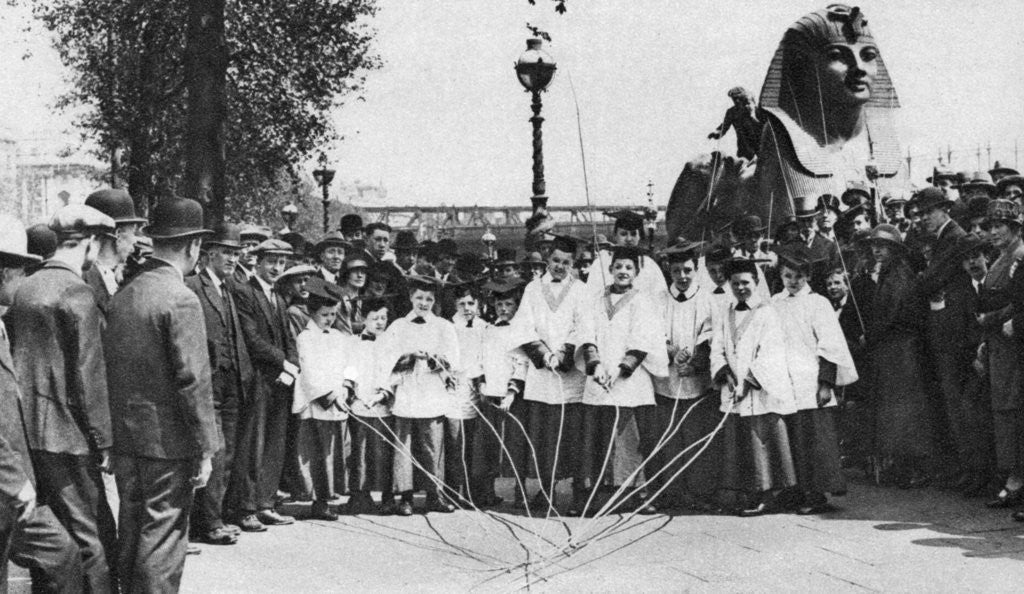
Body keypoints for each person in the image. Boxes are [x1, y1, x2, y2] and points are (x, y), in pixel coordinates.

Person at [105, 198, 220, 592]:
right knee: (164, 538)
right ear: (193, 247)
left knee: (133, 530)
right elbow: (194, 381)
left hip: (127, 438)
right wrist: (207, 447)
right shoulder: (181, 298)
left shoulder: (123, 296)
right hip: (169, 443)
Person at [8, 204, 118, 593]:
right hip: (69, 440)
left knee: (52, 546)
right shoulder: (77, 292)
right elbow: (89, 378)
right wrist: (105, 442)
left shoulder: (25, 288)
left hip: (26, 437)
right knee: (94, 540)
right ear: (90, 242)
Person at [0, 214, 85, 592]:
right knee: (60, 553)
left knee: (60, 554)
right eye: (21, 272)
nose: (24, 282)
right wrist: (15, 481)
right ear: (5, 273)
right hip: (7, 485)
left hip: (10, 487)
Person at [578, 246, 669, 515]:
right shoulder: (595, 300)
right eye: (618, 267)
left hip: (629, 380)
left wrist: (619, 370)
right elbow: (587, 332)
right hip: (599, 379)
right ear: (610, 270)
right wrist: (595, 366)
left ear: (637, 272)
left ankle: (638, 494)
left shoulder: (643, 301)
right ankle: (601, 495)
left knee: (631, 439)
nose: (623, 272)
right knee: (602, 438)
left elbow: (643, 339)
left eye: (629, 268)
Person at [185, 223, 258, 543]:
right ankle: (209, 523)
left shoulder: (230, 288)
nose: (232, 259)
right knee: (214, 452)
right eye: (226, 253)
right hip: (208, 382)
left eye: (236, 254)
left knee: (226, 454)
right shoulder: (192, 287)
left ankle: (213, 517)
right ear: (208, 254)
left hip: (232, 384)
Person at [772, 249, 857, 514]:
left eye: (798, 276)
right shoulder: (775, 302)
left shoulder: (818, 303)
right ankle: (794, 489)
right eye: (788, 276)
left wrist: (825, 383)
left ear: (807, 276)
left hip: (810, 377)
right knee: (790, 436)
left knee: (814, 439)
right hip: (784, 378)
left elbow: (830, 344)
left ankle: (816, 492)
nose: (793, 281)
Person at [711, 258, 797, 516]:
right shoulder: (725, 312)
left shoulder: (766, 312)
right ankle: (745, 492)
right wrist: (725, 373)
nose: (740, 288)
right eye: (735, 283)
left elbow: (771, 352)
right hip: (734, 387)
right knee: (739, 441)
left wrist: (748, 382)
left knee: (763, 439)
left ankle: (768, 493)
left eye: (746, 282)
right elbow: (718, 347)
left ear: (756, 283)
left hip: (759, 389)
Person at [514, 235, 591, 514]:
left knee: (573, 435)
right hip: (542, 373)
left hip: (570, 374)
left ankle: (577, 493)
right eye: (556, 260)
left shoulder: (582, 290)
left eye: (566, 262)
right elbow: (524, 325)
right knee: (545, 436)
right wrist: (544, 355)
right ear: (548, 259)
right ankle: (546, 491)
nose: (560, 266)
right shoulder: (532, 289)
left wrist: (564, 354)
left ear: (573, 264)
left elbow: (583, 326)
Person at [377, 275, 459, 516]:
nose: (423, 303)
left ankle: (435, 495)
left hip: (432, 393)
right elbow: (386, 357)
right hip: (406, 392)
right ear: (411, 298)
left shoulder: (443, 326)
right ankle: (405, 497)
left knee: (432, 445)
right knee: (405, 446)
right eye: (419, 298)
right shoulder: (399, 326)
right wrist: (409, 355)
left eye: (429, 299)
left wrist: (432, 357)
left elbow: (453, 359)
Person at [233, 239, 300, 527]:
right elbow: (252, 338)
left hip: (281, 380)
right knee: (253, 444)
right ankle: (246, 508)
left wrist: (293, 365)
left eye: (281, 262)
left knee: (275, 443)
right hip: (259, 378)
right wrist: (282, 362)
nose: (276, 267)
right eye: (271, 261)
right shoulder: (246, 293)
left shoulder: (279, 298)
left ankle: (266, 502)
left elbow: (288, 337)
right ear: (257, 262)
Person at [864, 224, 933, 488]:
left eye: (883, 246)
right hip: (892, 347)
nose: (877, 250)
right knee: (895, 409)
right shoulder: (888, 273)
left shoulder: (899, 275)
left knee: (906, 409)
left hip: (901, 347)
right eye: (874, 246)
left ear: (894, 249)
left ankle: (916, 466)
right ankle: (903, 464)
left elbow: (891, 314)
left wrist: (870, 335)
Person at [653, 241, 719, 511]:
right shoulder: (658, 298)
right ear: (669, 269)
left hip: (695, 380)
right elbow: (652, 331)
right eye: (677, 270)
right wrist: (670, 353)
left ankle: (698, 492)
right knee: (667, 437)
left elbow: (711, 333)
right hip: (666, 380)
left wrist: (695, 362)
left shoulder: (707, 298)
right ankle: (670, 491)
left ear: (695, 269)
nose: (682, 276)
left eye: (688, 270)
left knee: (694, 436)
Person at [976, 200, 1024, 509]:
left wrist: (992, 320)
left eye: (999, 226)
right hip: (999, 346)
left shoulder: (1019, 257)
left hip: (1014, 345)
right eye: (990, 226)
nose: (993, 231)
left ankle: (1017, 481)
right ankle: (1013, 479)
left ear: (1015, 228)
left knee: (1015, 411)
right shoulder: (1000, 258)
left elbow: (1019, 302)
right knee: (1006, 412)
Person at [292, 279, 350, 521]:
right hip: (318, 403)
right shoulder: (306, 338)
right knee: (318, 452)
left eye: (333, 314)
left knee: (335, 451)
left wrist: (346, 386)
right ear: (313, 312)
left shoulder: (337, 336)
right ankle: (319, 500)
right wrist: (330, 394)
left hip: (338, 401)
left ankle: (332, 495)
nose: (329, 319)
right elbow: (309, 372)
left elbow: (349, 364)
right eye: (325, 314)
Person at [475, 281, 531, 509]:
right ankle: (488, 491)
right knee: (488, 444)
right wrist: (480, 383)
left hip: (512, 398)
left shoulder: (520, 331)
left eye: (508, 304)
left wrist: (511, 392)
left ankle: (520, 491)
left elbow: (522, 363)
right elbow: (479, 359)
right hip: (489, 393)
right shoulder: (488, 330)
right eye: (500, 304)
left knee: (516, 445)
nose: (504, 309)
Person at [345, 295, 397, 515]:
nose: (379, 322)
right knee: (359, 451)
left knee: (384, 452)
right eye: (374, 318)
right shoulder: (354, 343)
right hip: (360, 403)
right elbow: (350, 369)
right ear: (363, 318)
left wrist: (383, 393)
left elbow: (394, 373)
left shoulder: (391, 344)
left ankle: (387, 496)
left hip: (382, 405)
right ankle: (359, 495)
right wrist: (351, 392)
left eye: (383, 318)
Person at [445, 283, 486, 505]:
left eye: (471, 303)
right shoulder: (448, 326)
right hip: (453, 388)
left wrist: (480, 382)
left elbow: (485, 358)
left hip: (475, 389)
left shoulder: (483, 327)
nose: (467, 308)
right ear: (455, 305)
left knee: (473, 443)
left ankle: (472, 493)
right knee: (454, 440)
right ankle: (452, 491)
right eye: (462, 304)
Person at [82, 188, 147, 315]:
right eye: (133, 232)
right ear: (118, 235)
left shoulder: (120, 276)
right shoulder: (83, 281)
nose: (135, 241)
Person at [707, 86, 765, 161]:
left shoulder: (755, 110)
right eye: (734, 99)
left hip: (761, 149)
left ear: (744, 98)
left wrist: (752, 116)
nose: (736, 101)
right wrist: (716, 133)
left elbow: (764, 128)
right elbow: (724, 127)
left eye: (739, 98)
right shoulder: (731, 112)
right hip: (744, 150)